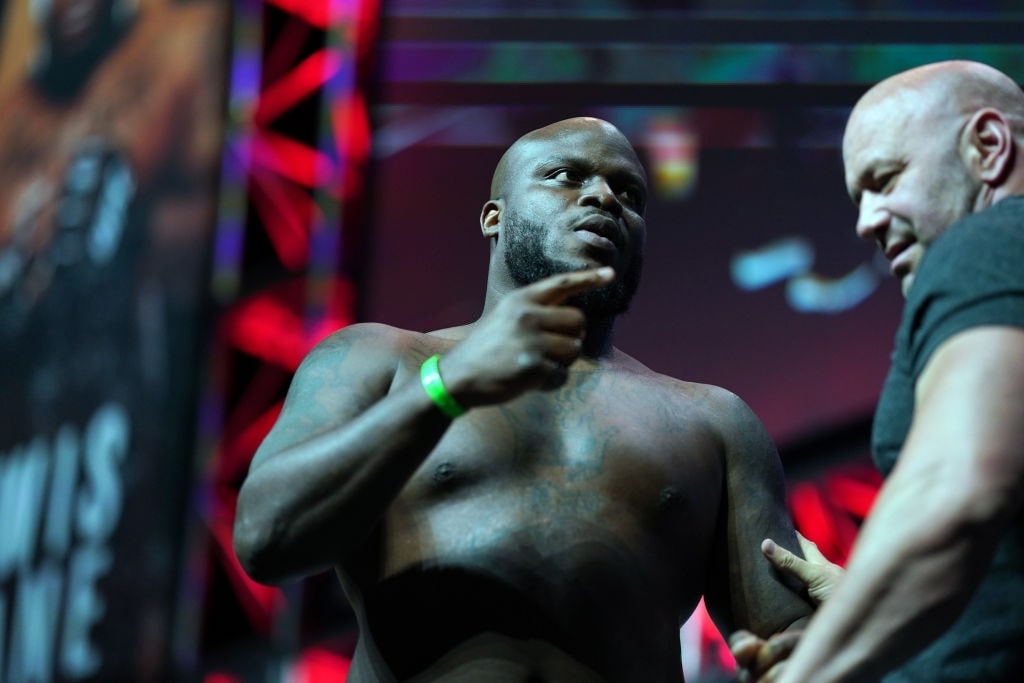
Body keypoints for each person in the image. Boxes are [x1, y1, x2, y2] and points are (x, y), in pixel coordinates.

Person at [233, 116, 813, 681]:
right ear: (494, 217)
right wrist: (449, 387)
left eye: (629, 192)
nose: (605, 198)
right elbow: (267, 537)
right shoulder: (376, 361)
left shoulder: (713, 422)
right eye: (566, 176)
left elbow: (791, 646)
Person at [730, 60, 1024, 682]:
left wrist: (817, 668)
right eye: (857, 198)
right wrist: (858, 607)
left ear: (989, 148)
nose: (865, 222)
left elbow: (955, 493)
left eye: (886, 179)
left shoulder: (991, 242)